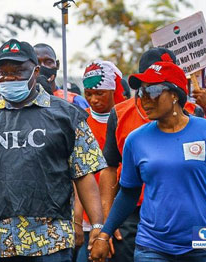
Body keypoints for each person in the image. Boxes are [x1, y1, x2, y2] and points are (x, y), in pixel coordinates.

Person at [90, 58, 206, 262]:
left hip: (202, 238)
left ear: (175, 94)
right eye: (141, 92)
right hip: (152, 244)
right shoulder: (136, 140)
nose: (144, 99)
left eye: (152, 92)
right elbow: (128, 194)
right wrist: (104, 234)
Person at [0, 39, 108, 262]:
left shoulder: (66, 116)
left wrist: (97, 226)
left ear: (36, 71)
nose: (10, 78)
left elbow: (84, 174)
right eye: (4, 72)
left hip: (50, 242)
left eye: (18, 71)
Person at [99, 48, 202, 262]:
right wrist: (108, 221)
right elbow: (109, 168)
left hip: (190, 215)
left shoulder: (195, 114)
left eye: (158, 87)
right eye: (146, 87)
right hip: (132, 213)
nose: (149, 96)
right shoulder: (119, 114)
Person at [74, 60, 125, 262]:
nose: (93, 99)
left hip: (120, 216)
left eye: (100, 93)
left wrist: (111, 220)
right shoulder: (79, 121)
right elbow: (77, 172)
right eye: (89, 93)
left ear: (114, 90)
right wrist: (77, 219)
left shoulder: (126, 119)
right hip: (86, 218)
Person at [33, 43, 90, 109]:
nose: (42, 66)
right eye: (36, 62)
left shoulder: (75, 101)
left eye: (48, 62)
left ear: (57, 65)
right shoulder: (22, 101)